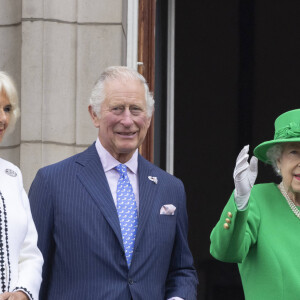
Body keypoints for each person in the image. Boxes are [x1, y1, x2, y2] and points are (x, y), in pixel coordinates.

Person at [29, 66, 198, 299]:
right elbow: (32, 269)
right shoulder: (52, 182)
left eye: (136, 109)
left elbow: (181, 271)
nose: (127, 120)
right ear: (94, 114)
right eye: (117, 109)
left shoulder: (171, 188)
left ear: (148, 118)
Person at [210, 108, 300, 299]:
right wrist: (240, 201)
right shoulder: (259, 199)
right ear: (278, 159)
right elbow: (225, 251)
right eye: (294, 152)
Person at [0, 72, 43, 300]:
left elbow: (30, 253)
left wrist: (22, 293)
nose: (3, 118)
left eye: (7, 109)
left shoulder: (12, 175)